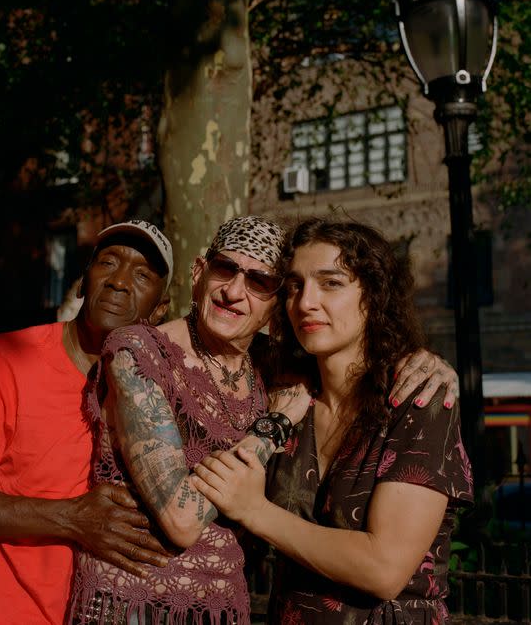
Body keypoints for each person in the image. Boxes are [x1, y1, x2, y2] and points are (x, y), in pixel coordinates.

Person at [68, 215, 461, 625]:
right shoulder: (143, 352)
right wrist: (271, 427)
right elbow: (182, 520)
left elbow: (384, 568)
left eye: (261, 282)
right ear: (200, 272)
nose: (235, 292)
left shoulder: (280, 372)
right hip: (133, 606)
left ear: (274, 304)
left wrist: (431, 363)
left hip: (226, 611)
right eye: (226, 269)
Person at [193, 217, 474, 624]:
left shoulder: (419, 400)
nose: (305, 302)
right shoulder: (285, 395)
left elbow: (384, 569)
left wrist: (255, 511)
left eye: (331, 283)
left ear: (375, 296)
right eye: (294, 286)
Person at [0, 220, 176, 625]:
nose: (119, 282)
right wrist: (73, 519)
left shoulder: (167, 390)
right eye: (108, 262)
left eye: (142, 275)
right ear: (84, 282)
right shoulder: (10, 358)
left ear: (161, 308)